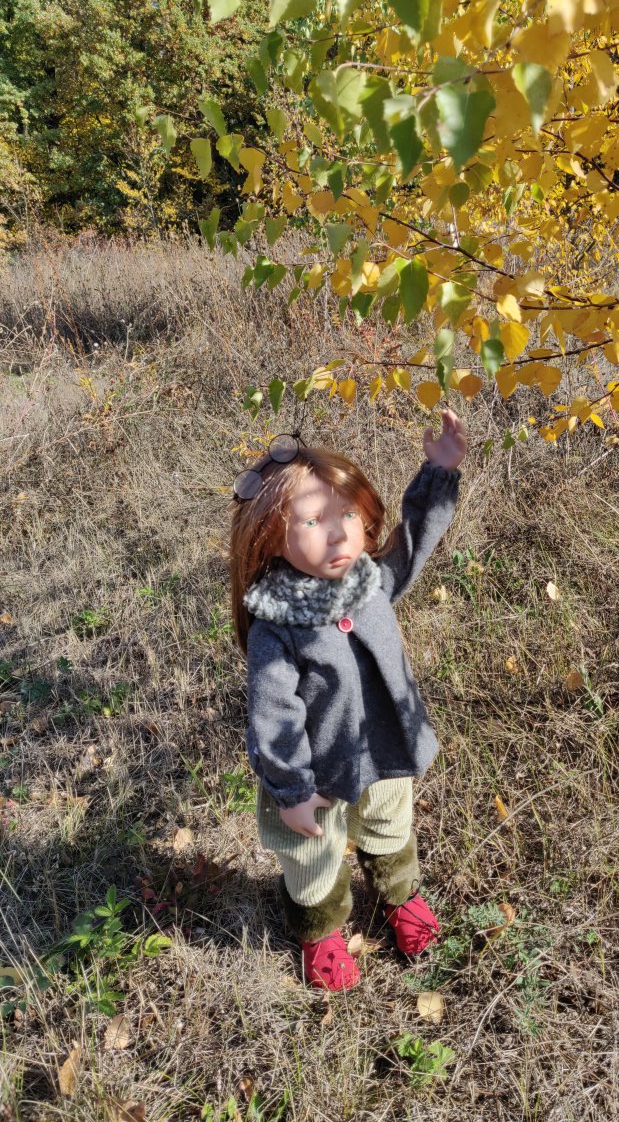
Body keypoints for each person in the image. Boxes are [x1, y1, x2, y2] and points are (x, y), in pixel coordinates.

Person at [229, 410, 467, 991]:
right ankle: (320, 931)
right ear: (270, 534)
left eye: (348, 515)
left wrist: (438, 473)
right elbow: (274, 715)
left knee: (390, 824)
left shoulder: (370, 581)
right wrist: (291, 791)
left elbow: (413, 541)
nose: (337, 534)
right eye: (312, 521)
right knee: (310, 856)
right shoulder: (276, 627)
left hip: (385, 748)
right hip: (316, 774)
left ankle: (398, 895)